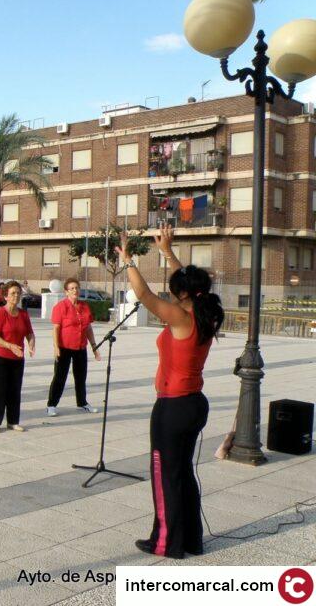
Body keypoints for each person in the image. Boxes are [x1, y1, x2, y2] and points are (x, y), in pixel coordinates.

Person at [116, 224, 223, 559]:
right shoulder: (203, 314)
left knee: (164, 474)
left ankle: (165, 542)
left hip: (173, 407)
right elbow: (186, 283)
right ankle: (191, 539)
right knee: (183, 472)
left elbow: (145, 296)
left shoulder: (179, 316)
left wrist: (128, 261)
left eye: (177, 289)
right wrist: (166, 251)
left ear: (182, 294)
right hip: (193, 404)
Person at [46, 278, 101, 417]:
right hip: (64, 347)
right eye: (71, 288)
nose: (75, 290)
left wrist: (94, 347)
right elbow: (56, 329)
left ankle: (82, 402)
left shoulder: (85, 306)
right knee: (60, 377)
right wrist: (56, 347)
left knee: (81, 377)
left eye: (77, 288)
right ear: (66, 292)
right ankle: (51, 405)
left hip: (80, 348)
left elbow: (88, 328)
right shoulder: (60, 307)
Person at [0, 280, 35, 433]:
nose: (16, 295)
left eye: (18, 293)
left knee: (15, 390)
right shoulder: (0, 313)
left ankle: (13, 421)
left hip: (17, 358)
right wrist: (10, 346)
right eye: (13, 293)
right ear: (5, 296)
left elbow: (29, 333)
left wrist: (31, 344)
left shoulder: (23, 314)